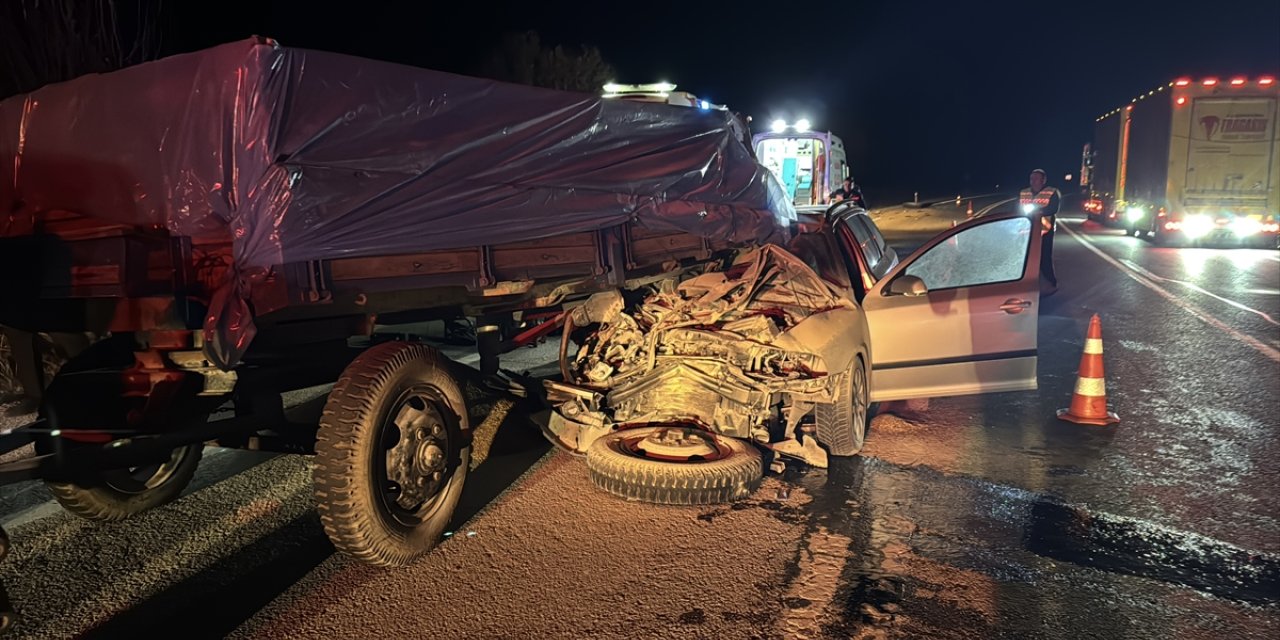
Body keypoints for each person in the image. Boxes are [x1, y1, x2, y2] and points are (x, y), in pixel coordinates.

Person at [1019, 168, 1059, 294]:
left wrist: (1040, 212)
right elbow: (1017, 208)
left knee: (1044, 258)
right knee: (1026, 259)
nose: (1033, 181)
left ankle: (1051, 283)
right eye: (1032, 178)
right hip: (1026, 231)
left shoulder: (1051, 192)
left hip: (1044, 232)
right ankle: (1028, 285)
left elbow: (1053, 209)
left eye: (1036, 178)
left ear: (1043, 180)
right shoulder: (1024, 192)